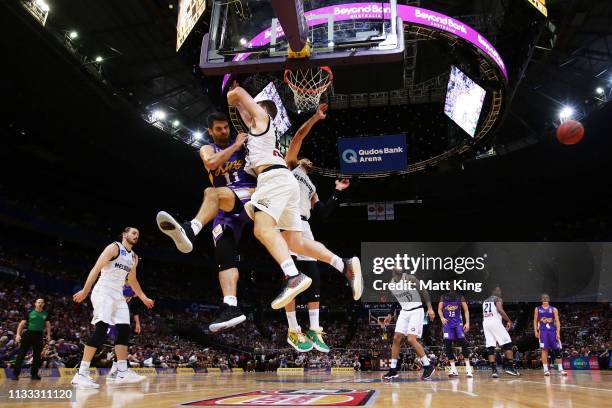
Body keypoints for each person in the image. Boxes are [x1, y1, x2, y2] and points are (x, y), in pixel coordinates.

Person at [226, 82, 362, 310]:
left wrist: (233, 95)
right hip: (283, 182)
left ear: (261, 110)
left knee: (262, 228)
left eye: (254, 108)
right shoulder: (259, 131)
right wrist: (238, 103)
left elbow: (238, 95)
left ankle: (292, 275)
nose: (250, 113)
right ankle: (344, 265)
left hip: (273, 179)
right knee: (295, 243)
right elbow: (243, 110)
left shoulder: (262, 119)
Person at [157, 112, 254, 332]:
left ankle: (190, 230)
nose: (224, 131)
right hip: (224, 210)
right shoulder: (208, 148)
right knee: (224, 256)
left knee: (211, 192)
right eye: (218, 129)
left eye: (226, 127)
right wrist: (235, 145)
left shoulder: (246, 147)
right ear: (210, 131)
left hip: (248, 197)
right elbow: (210, 163)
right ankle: (231, 306)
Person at [281, 103, 351, 352]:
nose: (307, 159)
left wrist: (337, 192)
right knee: (291, 279)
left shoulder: (310, 185)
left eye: (310, 159)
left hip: (305, 225)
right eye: (304, 157)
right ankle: (292, 329)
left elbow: (322, 212)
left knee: (314, 279)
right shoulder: (289, 166)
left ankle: (314, 329)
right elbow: (299, 135)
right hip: (288, 222)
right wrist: (315, 118)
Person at [71, 227, 154, 388]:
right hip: (104, 291)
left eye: (138, 234)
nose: (136, 236)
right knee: (101, 330)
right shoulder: (114, 247)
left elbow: (132, 280)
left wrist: (144, 298)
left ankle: (122, 371)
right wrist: (85, 290)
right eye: (133, 233)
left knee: (124, 330)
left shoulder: (134, 257)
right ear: (124, 234)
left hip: (118, 295)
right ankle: (81, 373)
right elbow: (96, 268)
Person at [381, 269, 436, 380]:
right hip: (404, 312)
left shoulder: (410, 278)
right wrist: (390, 314)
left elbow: (424, 291)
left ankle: (428, 366)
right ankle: (393, 370)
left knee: (411, 339)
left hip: (416, 310)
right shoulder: (391, 284)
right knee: (396, 338)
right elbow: (396, 300)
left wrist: (430, 308)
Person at [106, 283, 146, 382]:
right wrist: (137, 294)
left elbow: (135, 310)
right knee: (120, 344)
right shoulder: (122, 289)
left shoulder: (131, 297)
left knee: (122, 344)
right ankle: (119, 371)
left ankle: (115, 371)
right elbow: (133, 293)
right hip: (113, 318)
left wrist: (137, 323)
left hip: (122, 320)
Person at [482, 286, 519, 377]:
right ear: (493, 290)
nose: (500, 291)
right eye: (498, 290)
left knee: (491, 346)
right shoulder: (498, 299)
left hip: (486, 323)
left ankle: (494, 370)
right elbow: (500, 310)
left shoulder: (485, 301)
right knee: (508, 343)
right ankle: (509, 367)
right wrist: (509, 321)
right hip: (494, 322)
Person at [12, 298, 52, 380]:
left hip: (39, 336)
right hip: (28, 334)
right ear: (35, 304)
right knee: (21, 354)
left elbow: (48, 324)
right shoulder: (29, 312)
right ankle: (15, 375)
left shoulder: (46, 314)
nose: (40, 304)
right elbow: (22, 324)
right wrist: (18, 335)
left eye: (41, 302)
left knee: (37, 356)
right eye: (38, 302)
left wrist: (48, 334)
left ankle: (34, 375)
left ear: (43, 304)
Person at [438, 290, 473, 378]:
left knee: (463, 343)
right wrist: (442, 317)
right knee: (447, 344)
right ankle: (453, 369)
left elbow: (466, 310)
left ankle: (468, 368)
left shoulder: (460, 297)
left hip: (458, 323)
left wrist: (467, 323)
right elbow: (439, 309)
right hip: (447, 324)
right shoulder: (443, 297)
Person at [534, 293, 567, 376]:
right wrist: (535, 331)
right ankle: (546, 369)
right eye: (543, 298)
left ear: (549, 299)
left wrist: (558, 332)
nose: (545, 299)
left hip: (552, 331)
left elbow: (558, 321)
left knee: (557, 349)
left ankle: (560, 369)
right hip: (543, 331)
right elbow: (535, 321)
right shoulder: (537, 309)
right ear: (541, 300)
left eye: (546, 298)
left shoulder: (554, 309)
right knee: (544, 350)